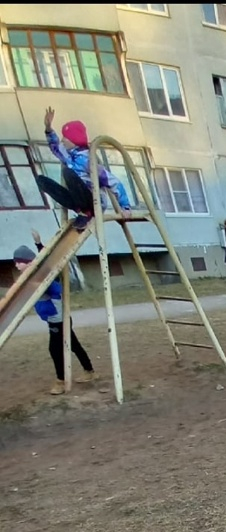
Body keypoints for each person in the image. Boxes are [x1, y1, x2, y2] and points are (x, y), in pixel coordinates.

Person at [13, 231, 96, 396]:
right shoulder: (31, 275)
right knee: (73, 345)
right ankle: (90, 370)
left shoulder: (42, 274)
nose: (16, 265)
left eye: (18, 262)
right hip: (54, 318)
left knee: (55, 349)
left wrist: (38, 244)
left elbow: (49, 262)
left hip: (58, 318)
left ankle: (61, 381)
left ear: (27, 262)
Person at [36, 108, 132, 231]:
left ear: (74, 139)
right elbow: (55, 147)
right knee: (42, 180)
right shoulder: (69, 156)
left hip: (93, 202)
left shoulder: (88, 161)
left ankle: (86, 212)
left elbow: (113, 182)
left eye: (66, 137)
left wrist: (126, 207)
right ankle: (80, 211)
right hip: (79, 201)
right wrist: (48, 129)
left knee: (68, 173)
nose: (63, 140)